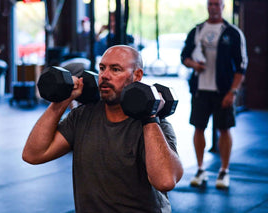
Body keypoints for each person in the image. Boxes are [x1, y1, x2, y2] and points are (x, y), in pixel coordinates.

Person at [23, 45, 183, 212]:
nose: (105, 76)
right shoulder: (82, 116)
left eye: (115, 69)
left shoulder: (154, 125)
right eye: (102, 68)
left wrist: (150, 118)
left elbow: (165, 181)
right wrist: (62, 101)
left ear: (137, 75)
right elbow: (33, 155)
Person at [181, 0, 248, 189]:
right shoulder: (197, 30)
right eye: (210, 4)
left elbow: (241, 66)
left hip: (223, 91)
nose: (213, 7)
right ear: (207, 6)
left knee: (224, 129)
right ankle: (201, 169)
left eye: (217, 4)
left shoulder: (233, 33)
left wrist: (233, 92)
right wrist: (194, 65)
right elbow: (184, 56)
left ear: (223, 7)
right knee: (198, 128)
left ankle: (224, 171)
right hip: (200, 90)